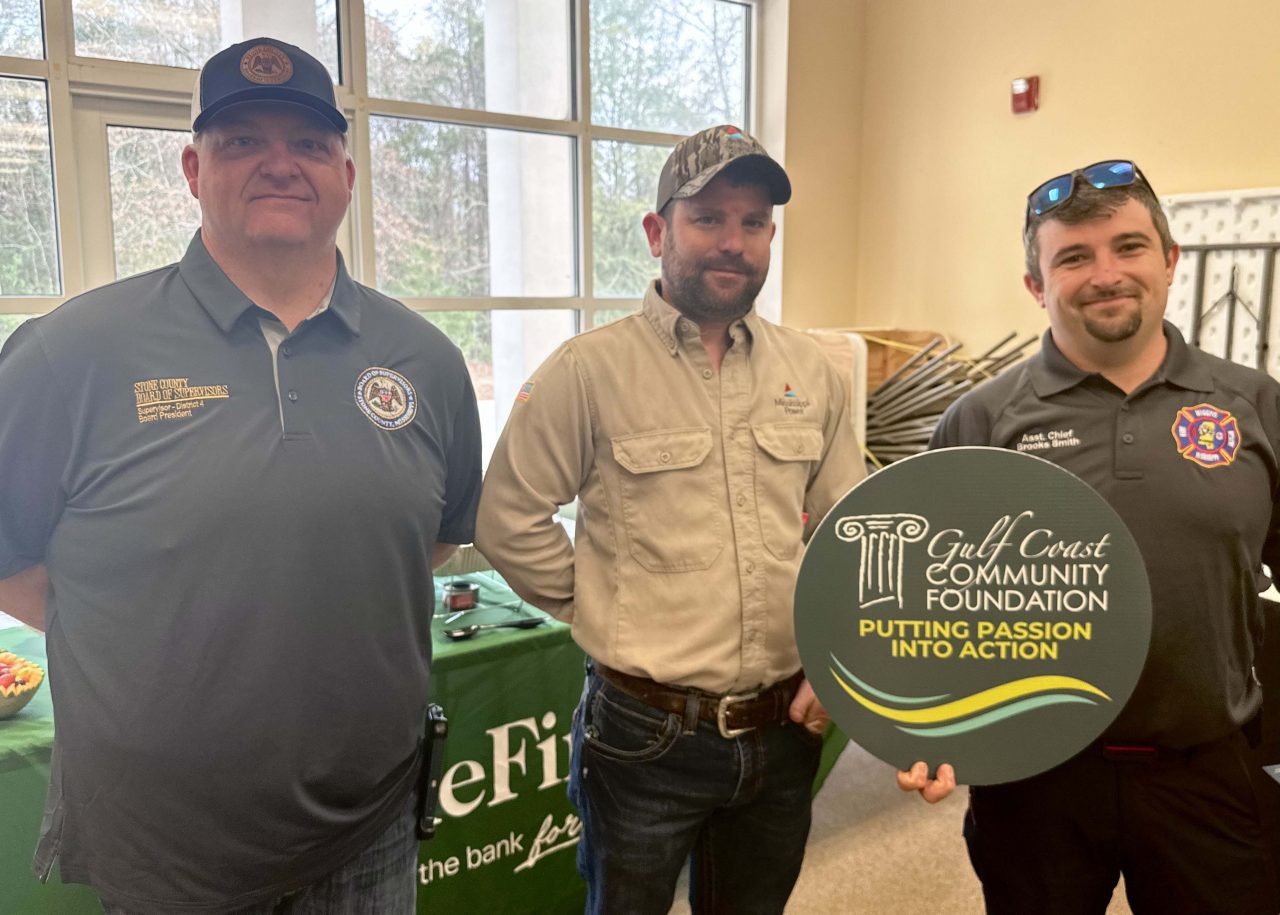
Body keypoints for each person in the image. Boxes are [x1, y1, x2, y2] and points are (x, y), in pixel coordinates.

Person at [0, 37, 481, 913]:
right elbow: (14, 565)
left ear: (346, 174)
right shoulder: (68, 355)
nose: (280, 163)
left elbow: (430, 544)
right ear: (193, 169)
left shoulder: (427, 361)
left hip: (370, 827)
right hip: (168, 848)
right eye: (242, 140)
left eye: (308, 143)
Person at [474, 124, 865, 914]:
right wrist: (598, 603)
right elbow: (507, 515)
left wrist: (837, 659)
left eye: (753, 222)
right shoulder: (588, 370)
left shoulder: (811, 372)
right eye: (708, 218)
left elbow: (853, 530)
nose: (733, 242)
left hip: (783, 728)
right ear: (659, 232)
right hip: (644, 737)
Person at [898, 160, 1280, 914]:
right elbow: (923, 602)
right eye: (1073, 257)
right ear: (1036, 285)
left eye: (1129, 247)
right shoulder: (982, 421)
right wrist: (925, 728)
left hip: (1207, 766)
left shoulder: (1254, 405)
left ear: (1169, 260)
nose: (1106, 274)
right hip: (1033, 776)